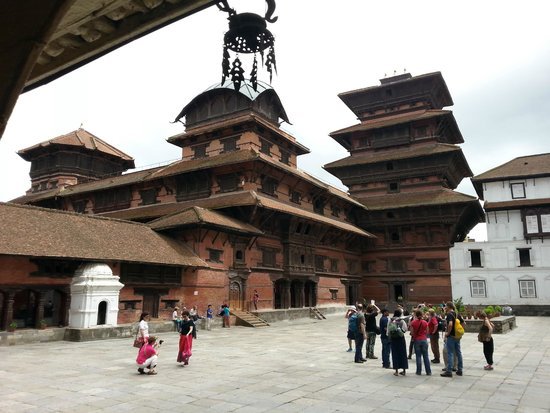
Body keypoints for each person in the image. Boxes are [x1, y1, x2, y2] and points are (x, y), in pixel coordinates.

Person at [441, 301, 464, 377]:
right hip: (457, 336)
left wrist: (448, 333)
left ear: (449, 307)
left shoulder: (449, 314)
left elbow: (450, 324)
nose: (445, 307)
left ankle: (449, 371)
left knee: (450, 353)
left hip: (451, 336)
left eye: (446, 306)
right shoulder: (457, 314)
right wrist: (460, 332)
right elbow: (463, 323)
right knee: (458, 353)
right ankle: (460, 369)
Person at [410, 309, 431, 375]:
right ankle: (428, 371)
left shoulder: (413, 322)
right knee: (426, 356)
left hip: (417, 340)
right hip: (424, 340)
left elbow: (412, 332)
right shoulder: (425, 322)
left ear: (416, 315)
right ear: (422, 315)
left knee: (418, 356)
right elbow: (427, 332)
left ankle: (418, 371)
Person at [388, 308, 408, 376]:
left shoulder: (390, 320)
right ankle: (404, 370)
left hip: (393, 339)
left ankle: (396, 371)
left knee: (395, 354)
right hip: (401, 338)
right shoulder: (402, 321)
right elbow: (405, 329)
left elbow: (388, 331)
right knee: (402, 353)